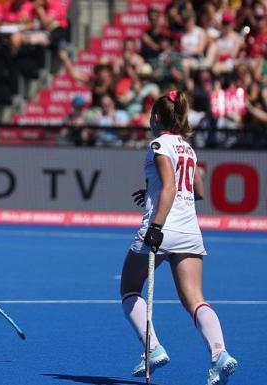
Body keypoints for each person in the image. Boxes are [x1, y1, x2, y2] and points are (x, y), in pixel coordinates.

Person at [120, 91, 237, 384]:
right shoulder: (187, 147)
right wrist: (151, 190)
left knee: (129, 288)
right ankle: (220, 354)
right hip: (189, 230)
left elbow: (170, 187)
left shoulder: (158, 144)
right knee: (195, 299)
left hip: (163, 228)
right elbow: (198, 191)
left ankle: (153, 348)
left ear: (157, 118)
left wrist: (156, 227)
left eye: (151, 115)